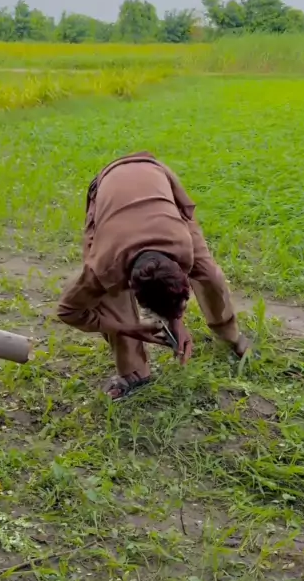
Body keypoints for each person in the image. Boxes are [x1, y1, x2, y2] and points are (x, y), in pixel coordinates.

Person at [57, 152, 250, 401]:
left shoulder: (182, 246)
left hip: (154, 173)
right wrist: (129, 328)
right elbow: (67, 311)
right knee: (109, 296)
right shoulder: (103, 267)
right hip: (110, 183)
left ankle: (229, 333)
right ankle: (134, 371)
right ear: (131, 285)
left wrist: (176, 322)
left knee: (209, 275)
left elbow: (176, 287)